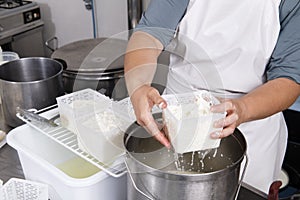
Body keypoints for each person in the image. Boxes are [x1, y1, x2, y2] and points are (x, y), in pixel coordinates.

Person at [124, 0, 300, 195]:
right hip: (177, 115)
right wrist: (138, 85)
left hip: (253, 120)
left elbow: (289, 80)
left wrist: (243, 109)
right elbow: (149, 34)